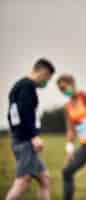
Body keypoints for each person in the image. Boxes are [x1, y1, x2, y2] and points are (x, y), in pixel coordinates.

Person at [6, 58, 55, 200]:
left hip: (20, 138)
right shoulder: (27, 85)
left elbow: (11, 115)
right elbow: (24, 111)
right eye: (47, 78)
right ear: (43, 72)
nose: (46, 82)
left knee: (44, 178)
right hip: (25, 140)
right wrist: (33, 136)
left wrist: (15, 132)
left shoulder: (18, 86)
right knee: (23, 180)